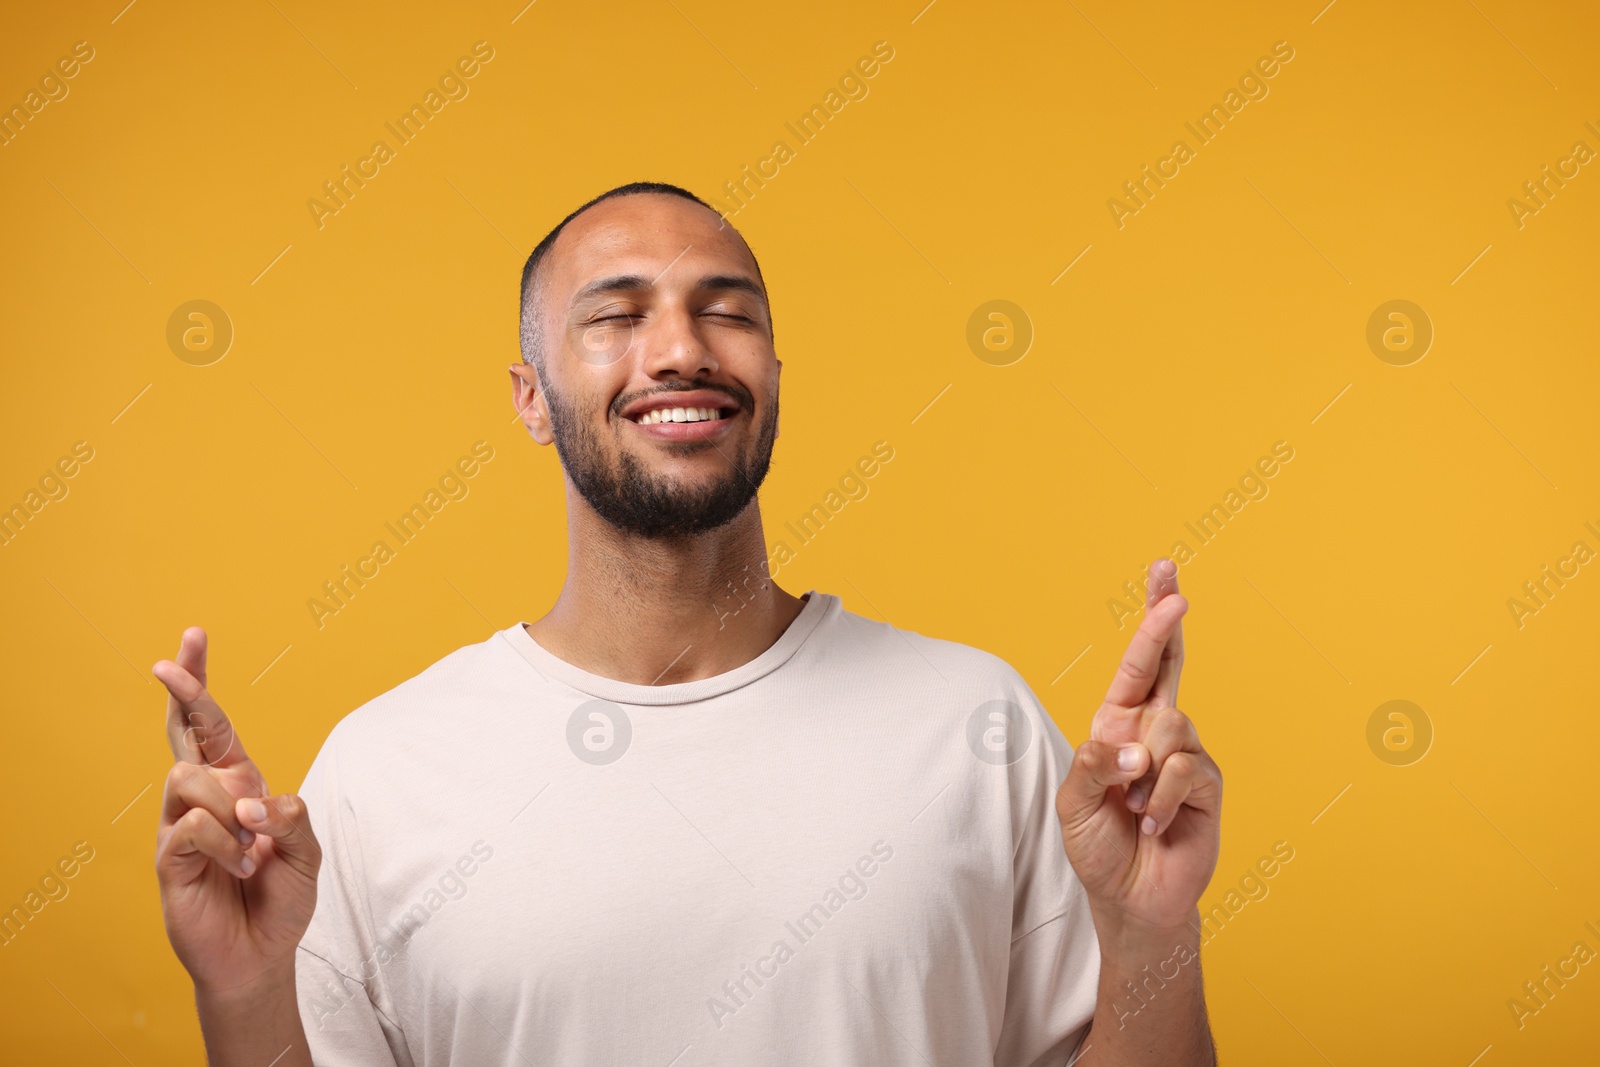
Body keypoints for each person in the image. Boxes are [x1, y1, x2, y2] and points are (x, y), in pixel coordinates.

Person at [153, 181, 1222, 1066]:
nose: (680, 350)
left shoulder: (976, 723)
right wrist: (245, 995)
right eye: (617, 314)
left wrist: (1149, 933)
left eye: (727, 310)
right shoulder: (382, 768)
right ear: (529, 398)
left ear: (772, 378)